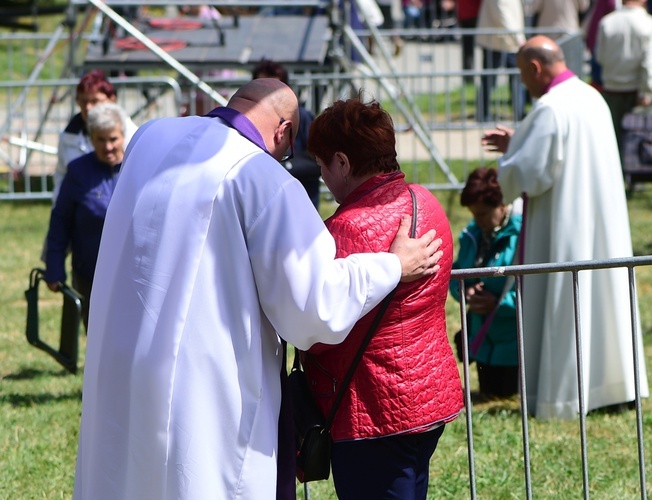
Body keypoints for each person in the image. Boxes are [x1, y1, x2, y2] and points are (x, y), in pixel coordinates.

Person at [72, 79, 444, 499]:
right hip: (205, 385)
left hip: (123, 357)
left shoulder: (151, 136)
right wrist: (392, 265)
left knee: (126, 477)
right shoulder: (263, 176)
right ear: (285, 131)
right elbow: (312, 306)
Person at [302, 95, 463, 499]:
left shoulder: (342, 231)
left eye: (323, 165)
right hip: (428, 392)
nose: (322, 176)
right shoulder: (426, 202)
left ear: (342, 161)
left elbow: (320, 328)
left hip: (370, 409)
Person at [481, 36, 649, 420]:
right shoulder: (591, 96)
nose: (523, 82)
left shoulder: (550, 107)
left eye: (524, 75)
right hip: (601, 225)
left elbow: (532, 173)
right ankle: (616, 385)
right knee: (605, 299)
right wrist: (519, 142)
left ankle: (565, 396)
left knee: (568, 299)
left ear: (536, 68)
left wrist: (508, 163)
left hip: (564, 230)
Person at [44, 102, 130, 330]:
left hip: (132, 271)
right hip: (90, 273)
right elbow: (60, 221)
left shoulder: (139, 167)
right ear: (91, 139)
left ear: (123, 135)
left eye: (113, 139)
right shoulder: (78, 172)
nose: (108, 146)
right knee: (97, 332)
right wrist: (54, 265)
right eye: (100, 140)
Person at [450, 166, 521, 399]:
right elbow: (456, 274)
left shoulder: (522, 235)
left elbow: (536, 290)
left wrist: (497, 304)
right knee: (488, 395)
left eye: (481, 213)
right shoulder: (472, 235)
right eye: (473, 214)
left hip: (515, 346)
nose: (476, 220)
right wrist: (465, 292)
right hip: (482, 344)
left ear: (502, 205)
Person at [55, 69, 136, 203]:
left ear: (112, 100)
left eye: (95, 101)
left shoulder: (133, 136)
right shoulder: (68, 137)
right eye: (83, 101)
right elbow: (61, 177)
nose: (88, 107)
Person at [596, 0, 652, 158]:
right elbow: (650, 62)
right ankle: (633, 173)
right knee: (637, 138)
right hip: (637, 90)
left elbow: (600, 56)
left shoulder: (607, 21)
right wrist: (646, 90)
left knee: (612, 138)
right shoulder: (650, 23)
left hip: (611, 87)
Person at [251, 58, 321, 207]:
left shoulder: (302, 117)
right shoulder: (245, 121)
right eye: (261, 88)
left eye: (273, 90)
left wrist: (283, 167)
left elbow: (317, 159)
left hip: (301, 204)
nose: (266, 95)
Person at [475, 0, 526, 123]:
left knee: (515, 79)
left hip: (506, 42)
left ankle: (518, 112)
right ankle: (484, 114)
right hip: (500, 42)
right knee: (490, 80)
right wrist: (519, 39)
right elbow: (503, 15)